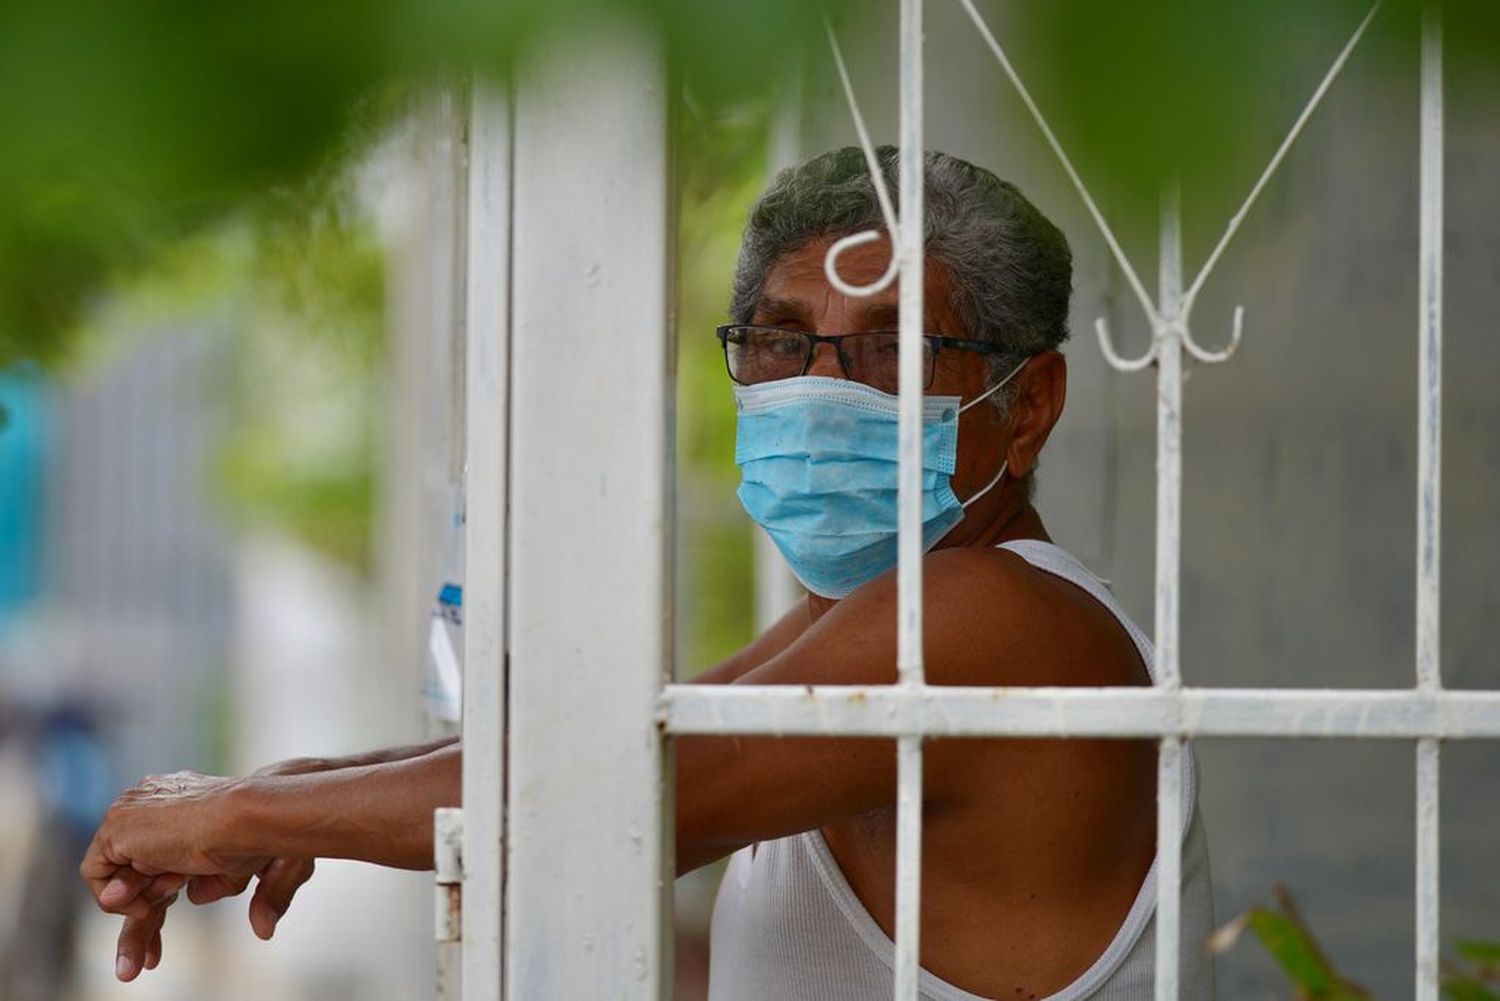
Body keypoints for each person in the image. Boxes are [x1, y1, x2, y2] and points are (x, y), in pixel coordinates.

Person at [81, 146, 1213, 999]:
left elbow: (604, 805)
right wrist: (312, 788)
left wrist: (236, 811)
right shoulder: (864, 620)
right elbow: (625, 750)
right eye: (781, 338)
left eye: (893, 346)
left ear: (1032, 405)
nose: (826, 387)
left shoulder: (996, 615)